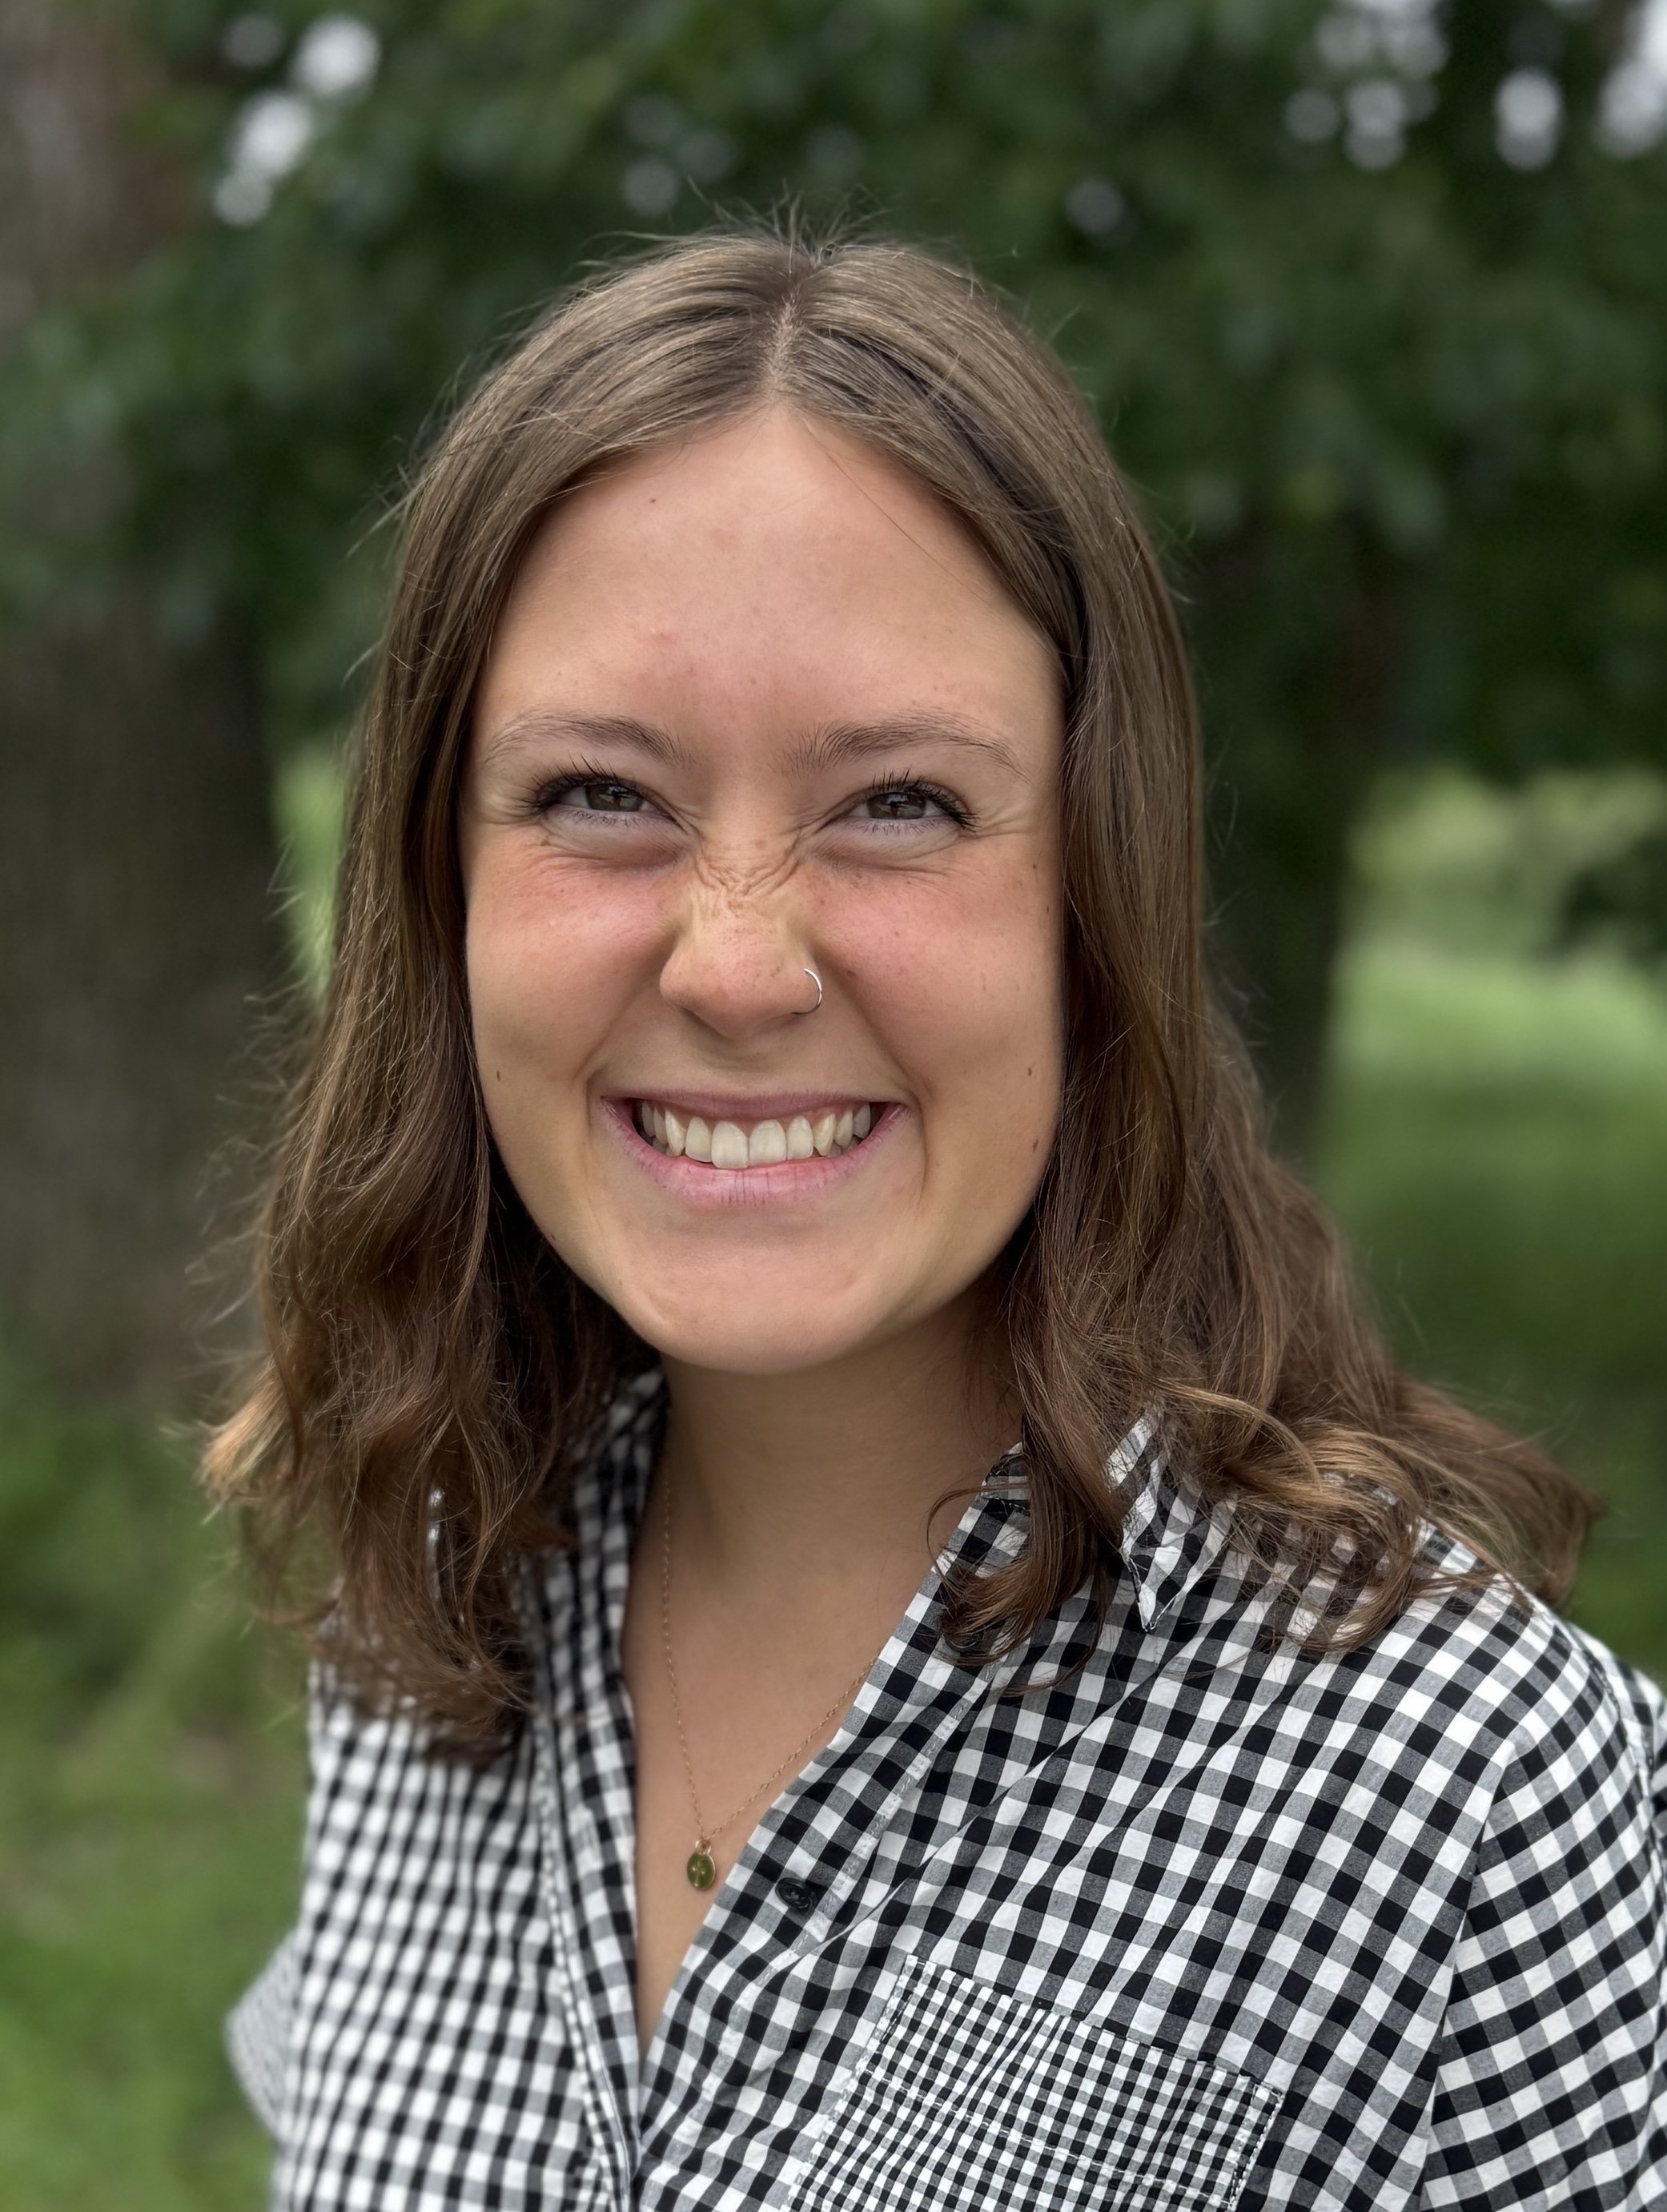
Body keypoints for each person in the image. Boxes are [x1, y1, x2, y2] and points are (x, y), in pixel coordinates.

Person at [210, 230, 1665, 2210]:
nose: (735, 960)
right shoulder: (434, 1605)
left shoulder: (1459, 1794)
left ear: (1092, 893)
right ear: (438, 892)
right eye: (597, 794)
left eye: (896, 801)